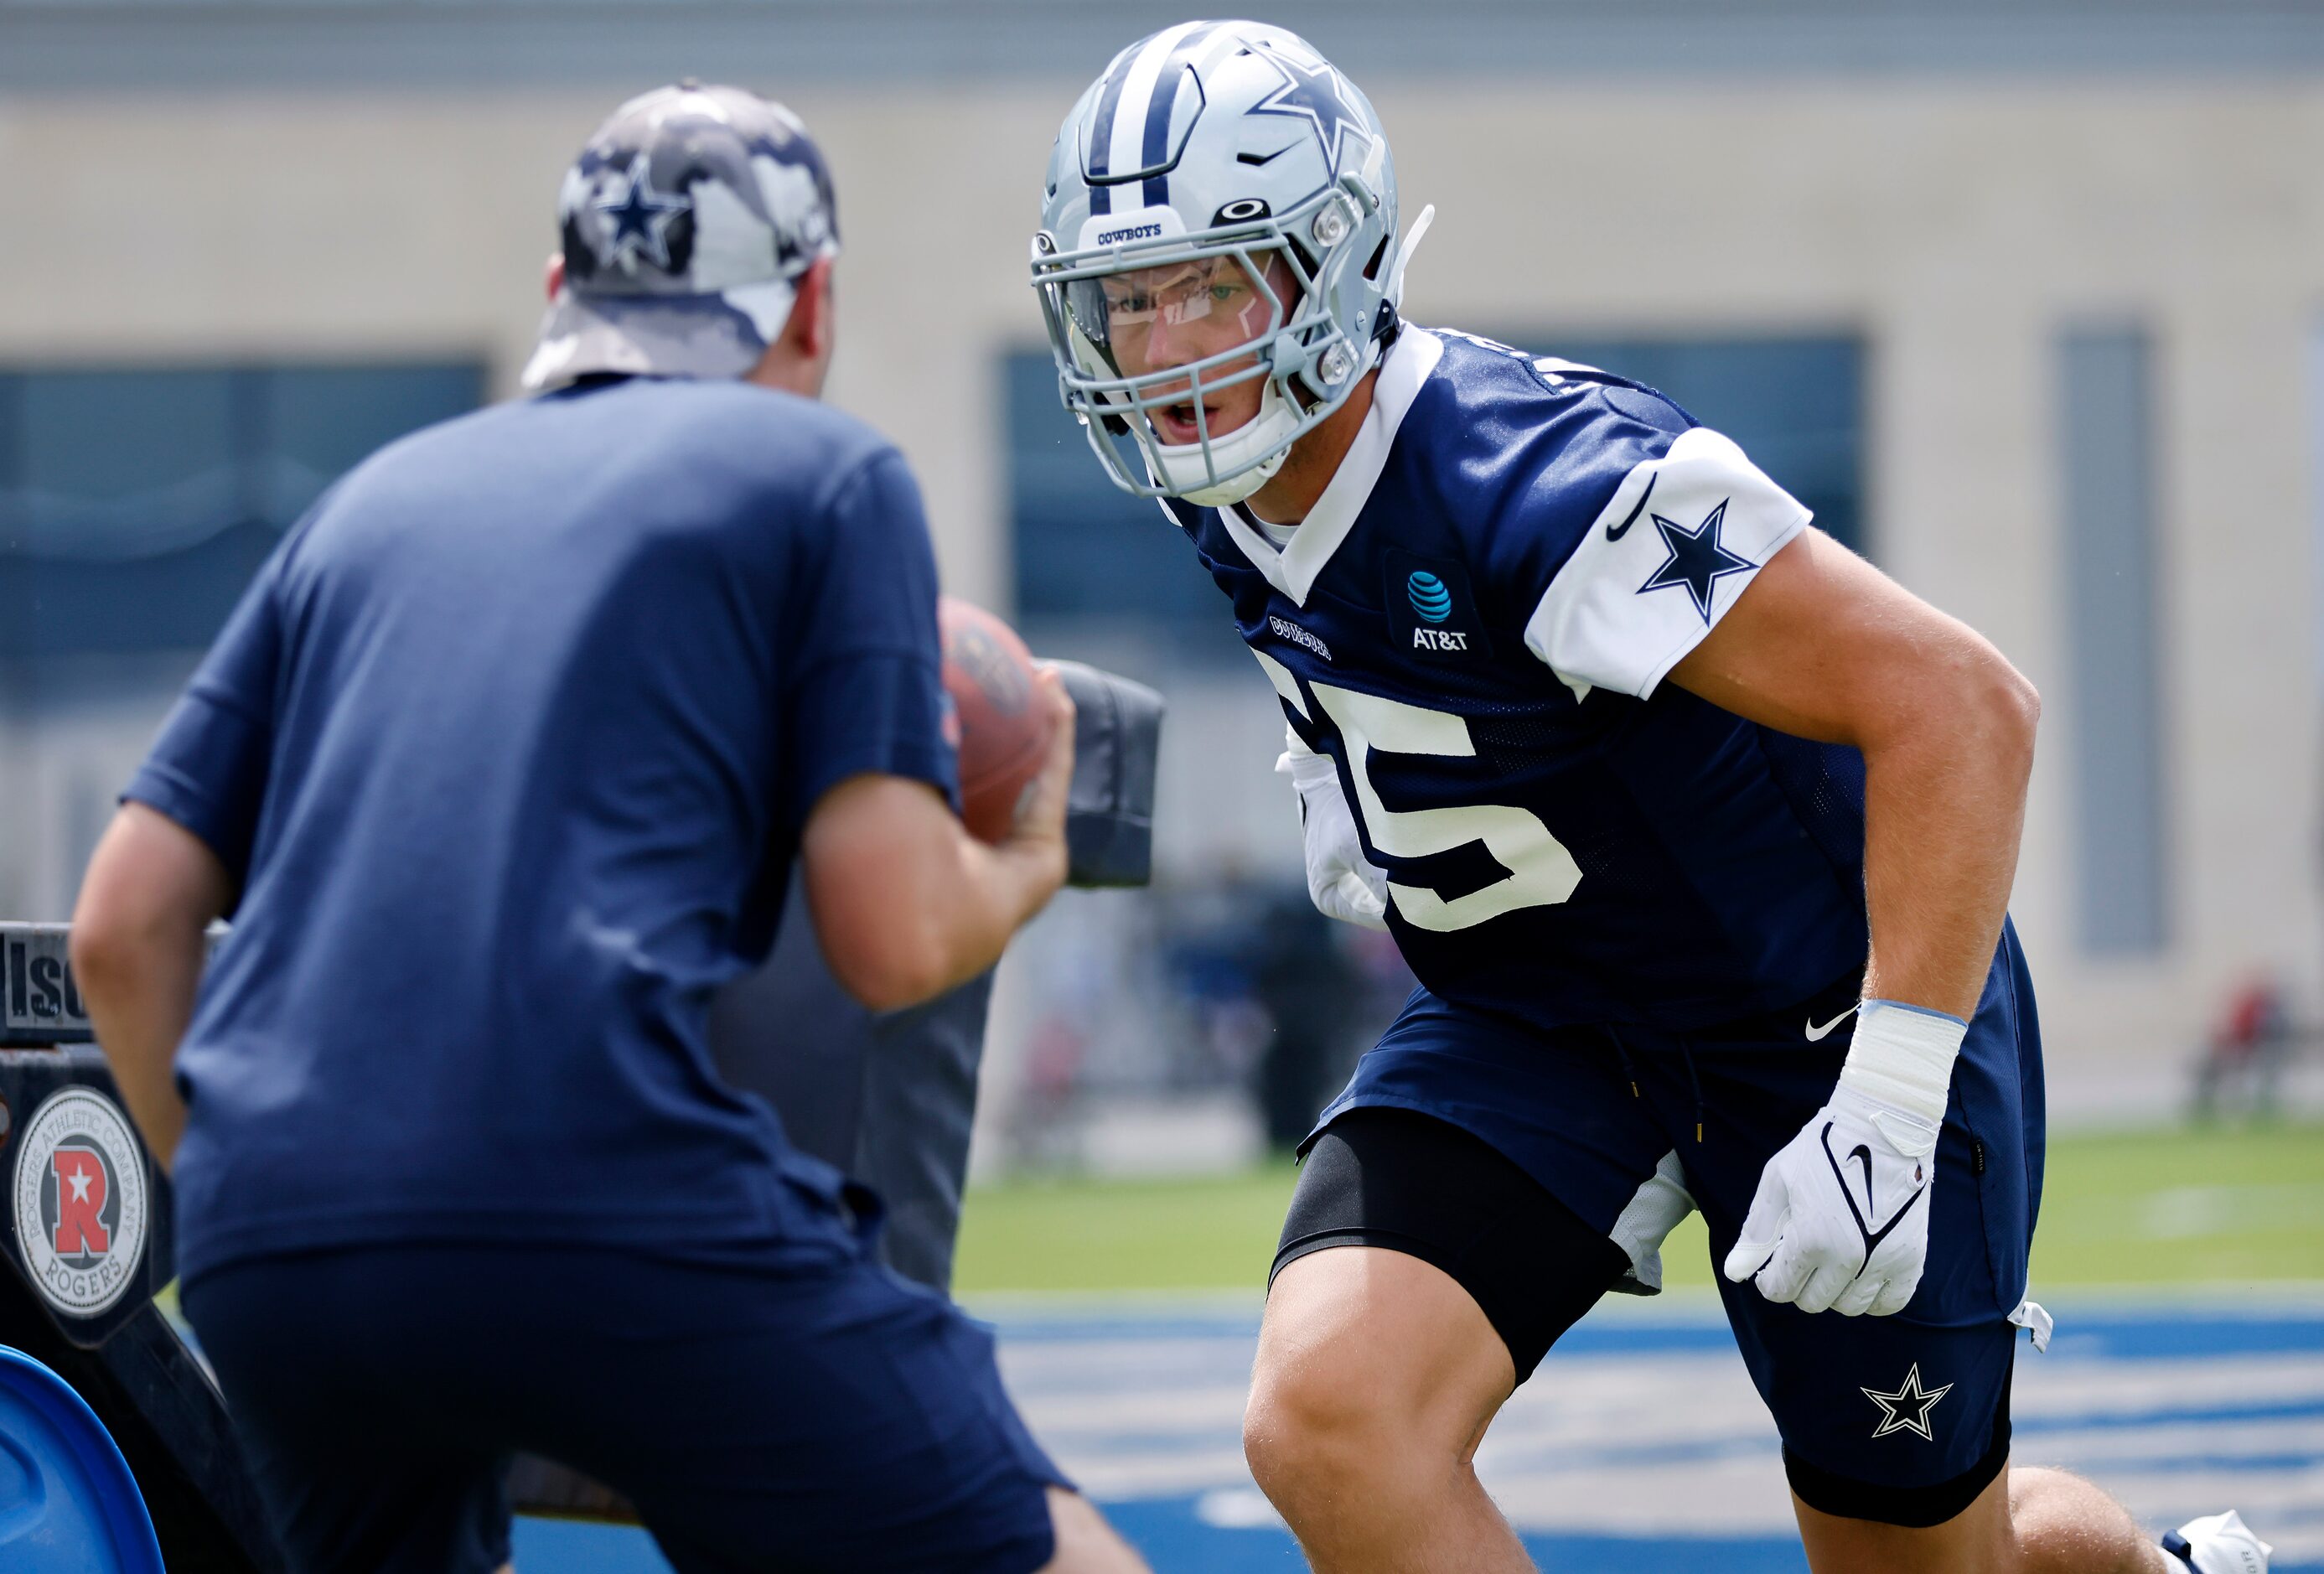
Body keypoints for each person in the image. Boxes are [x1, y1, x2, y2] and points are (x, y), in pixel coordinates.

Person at [1030, 21, 2272, 1574]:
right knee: (1329, 1415)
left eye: (1212, 284)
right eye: (1128, 301)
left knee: (1924, 1563)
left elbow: (1964, 706)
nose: (1165, 350)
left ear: (1327, 263)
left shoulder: (1535, 474)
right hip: (1545, 1015)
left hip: (1812, 1021)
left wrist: (1887, 1102)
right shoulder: (1229, 476)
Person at [70, 82, 1146, 1574]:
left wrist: (279, 1196)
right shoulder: (824, 477)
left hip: (281, 1244)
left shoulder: (370, 502)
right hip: (608, 1188)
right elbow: (892, 938)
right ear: (816, 302)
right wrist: (1021, 858)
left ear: (558, 293)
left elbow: (122, 928)